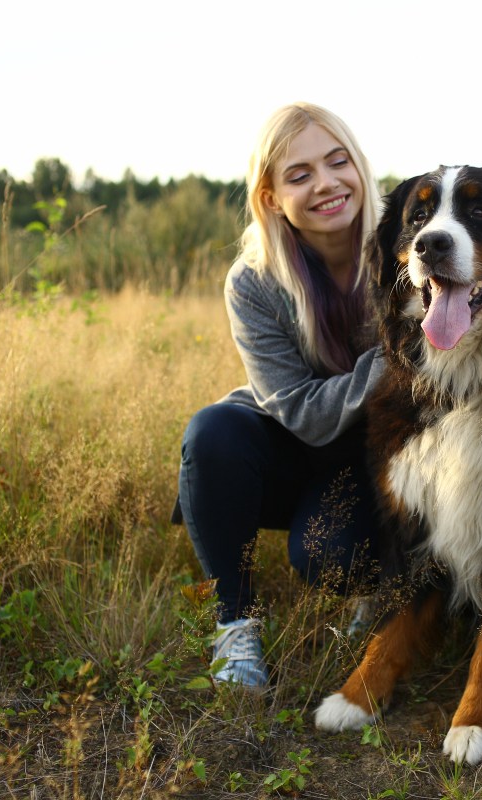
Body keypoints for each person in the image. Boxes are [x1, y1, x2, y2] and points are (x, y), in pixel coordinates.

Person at [174, 102, 387, 689]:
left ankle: (379, 595)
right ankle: (235, 627)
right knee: (213, 432)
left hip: (380, 453)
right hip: (298, 441)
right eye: (299, 175)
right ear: (270, 197)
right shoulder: (254, 280)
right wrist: (397, 359)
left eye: (337, 161)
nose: (326, 184)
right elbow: (302, 413)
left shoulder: (409, 241)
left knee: (327, 554)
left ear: (359, 165)